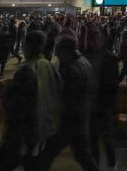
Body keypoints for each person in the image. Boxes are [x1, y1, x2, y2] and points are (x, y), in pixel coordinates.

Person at [0, 30, 62, 171]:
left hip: (23, 133)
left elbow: (18, 105)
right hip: (44, 130)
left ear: (27, 46)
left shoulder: (26, 70)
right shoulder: (48, 66)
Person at [41, 35, 98, 171]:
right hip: (82, 114)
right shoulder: (83, 61)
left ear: (65, 50)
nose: (56, 54)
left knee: (46, 154)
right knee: (83, 155)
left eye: (58, 50)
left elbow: (66, 96)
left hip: (70, 119)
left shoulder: (70, 68)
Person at [86, 31, 119, 170]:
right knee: (93, 137)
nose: (94, 42)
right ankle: (96, 165)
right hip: (93, 103)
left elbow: (113, 82)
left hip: (104, 103)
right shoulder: (88, 57)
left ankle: (112, 164)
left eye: (97, 39)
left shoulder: (110, 58)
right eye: (93, 39)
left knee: (106, 137)